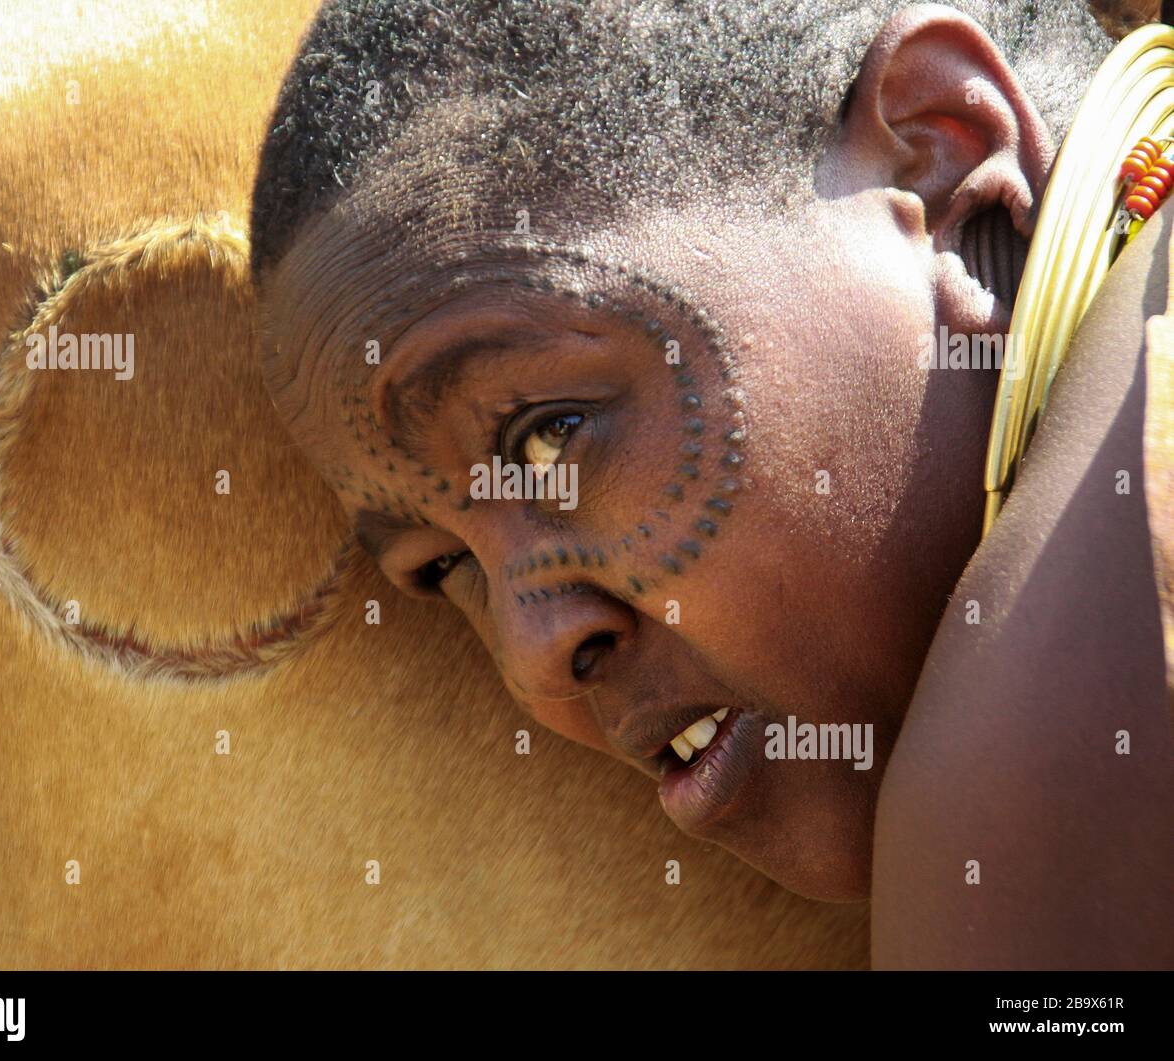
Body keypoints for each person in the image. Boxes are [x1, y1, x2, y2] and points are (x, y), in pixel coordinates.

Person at [250, 0, 1174, 967]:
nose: (534, 656)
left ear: (940, 150)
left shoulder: (1016, 786)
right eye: (445, 566)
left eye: (551, 436)